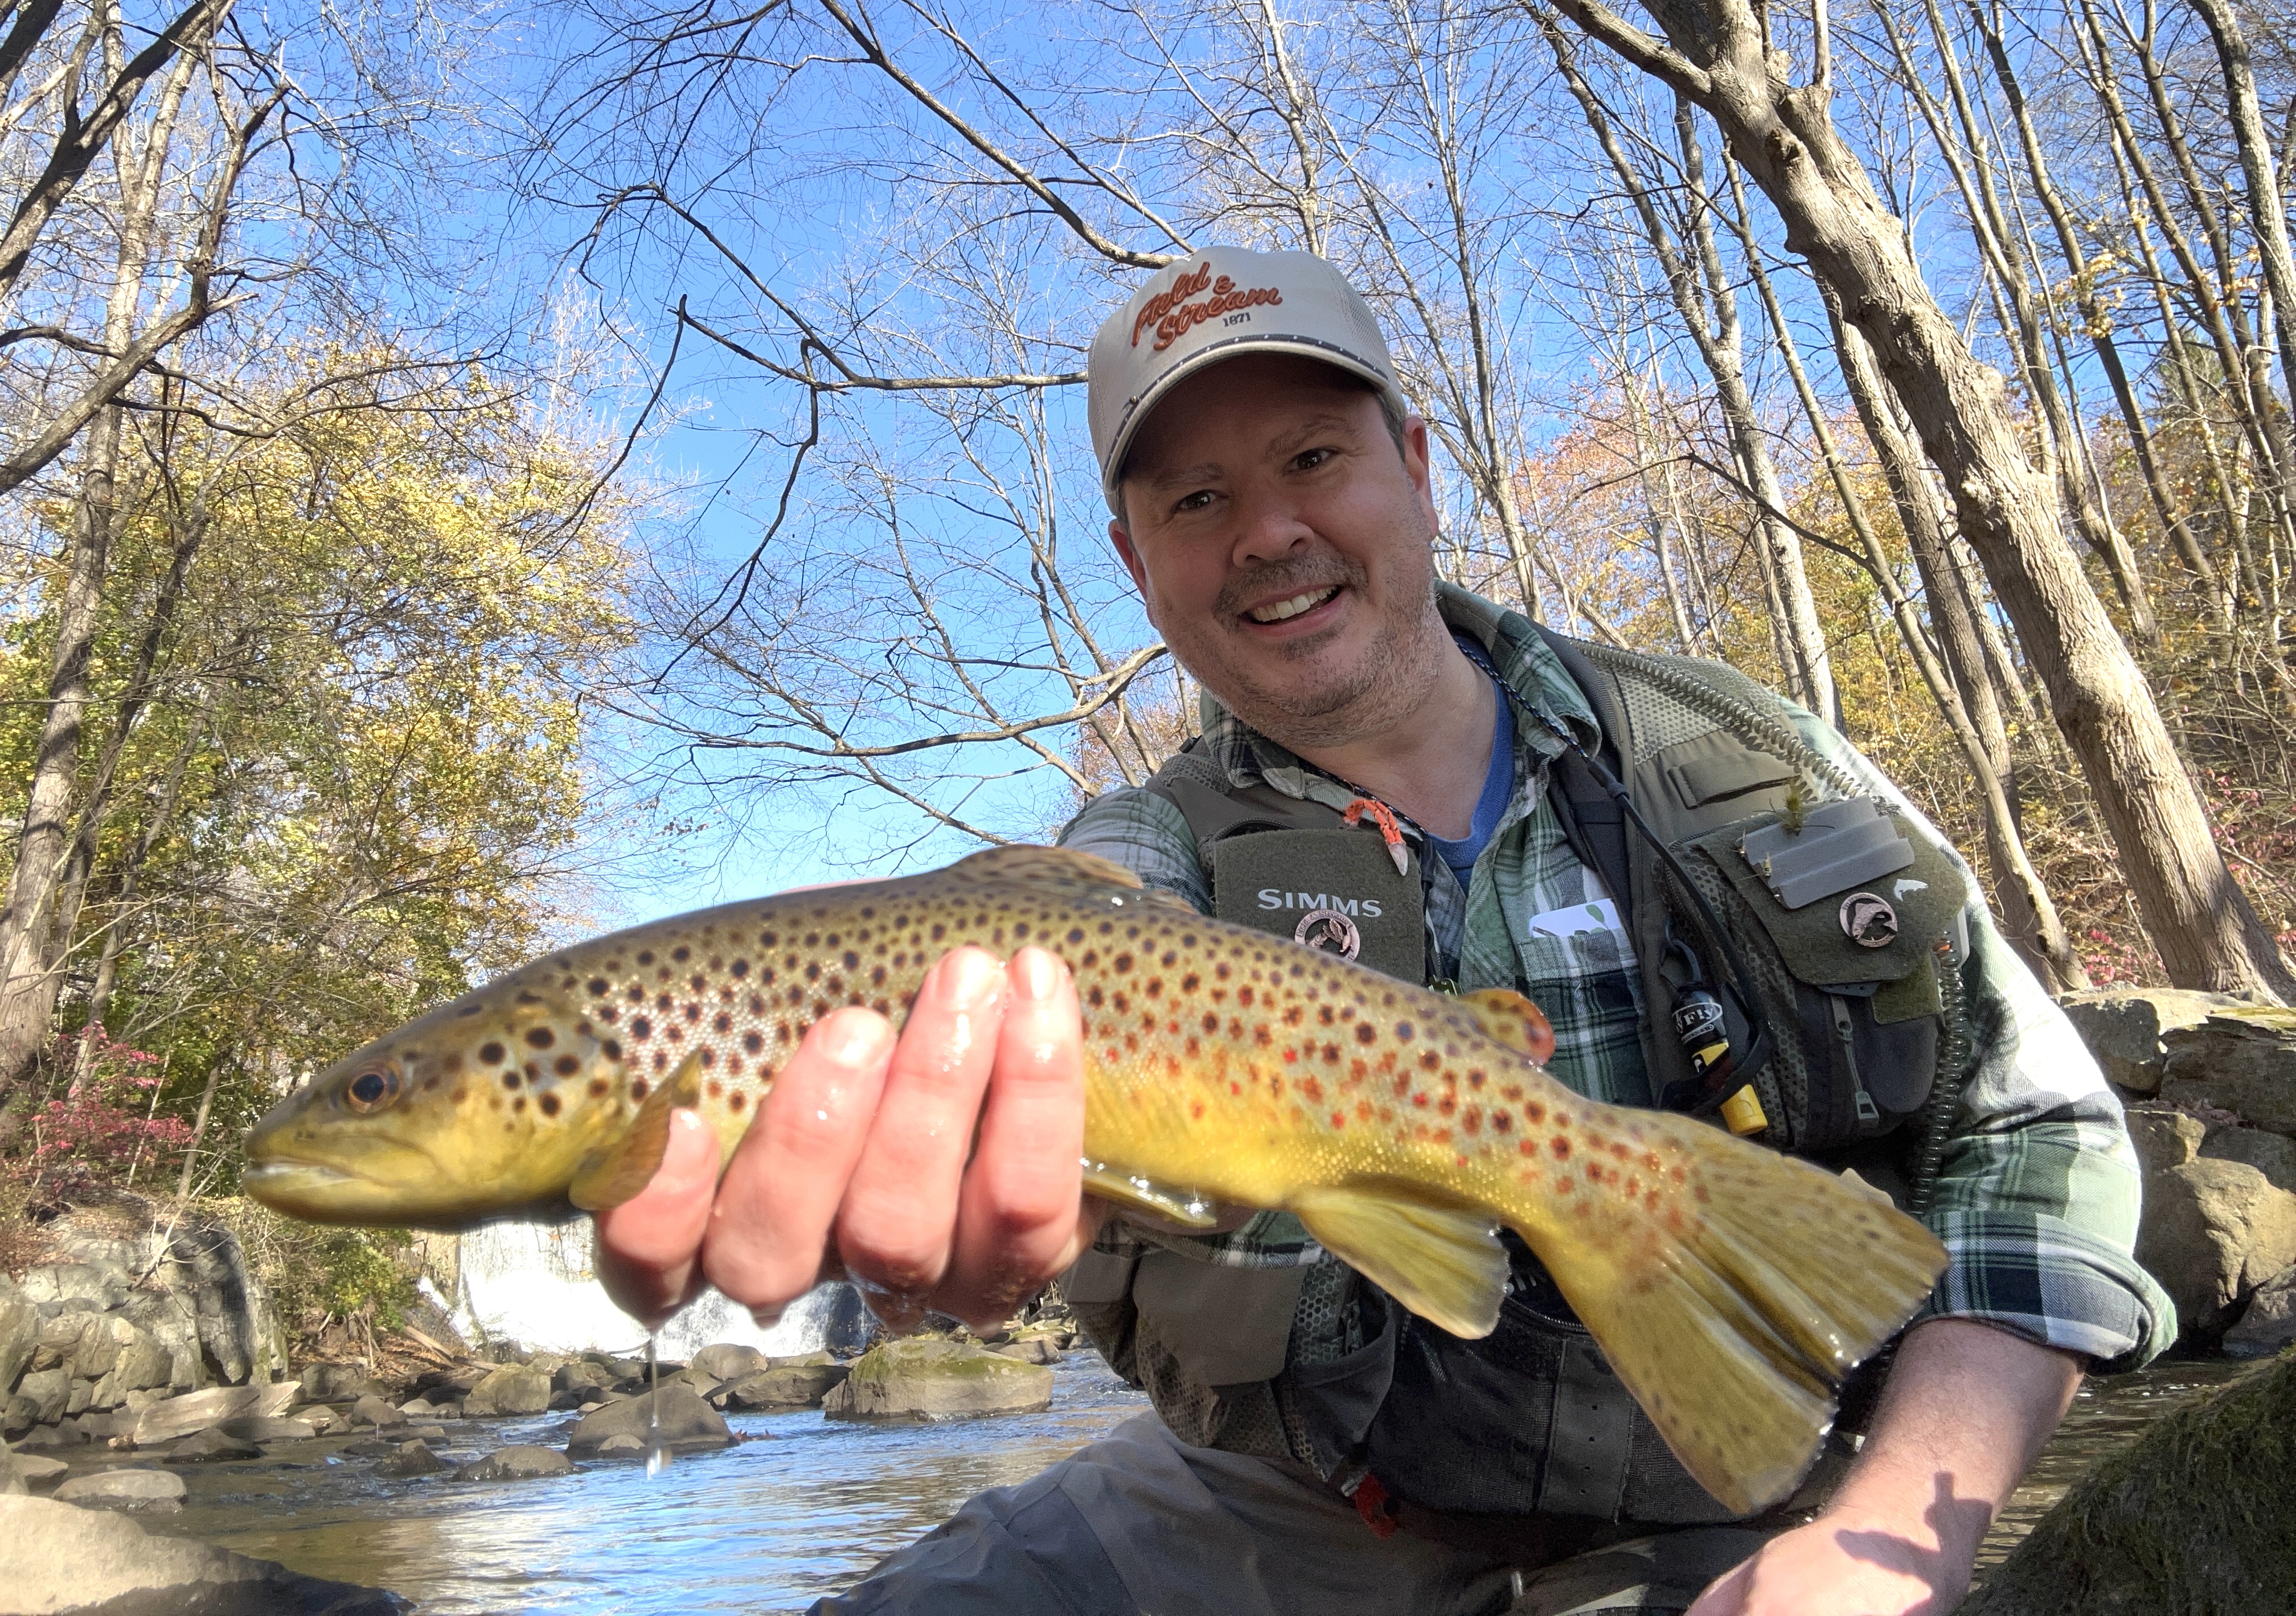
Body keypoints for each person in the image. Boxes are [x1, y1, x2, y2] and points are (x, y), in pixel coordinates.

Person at [594, 248, 2172, 1614]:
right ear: (1141, 567)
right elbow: (1074, 936)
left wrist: (1896, 1526)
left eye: (1310, 460)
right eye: (1199, 499)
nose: (1267, 532)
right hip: (1287, 1515)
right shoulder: (1143, 860)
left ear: (1418, 466)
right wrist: (941, 1202)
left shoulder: (1728, 753)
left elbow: (2032, 1135)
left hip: (1743, 1495)